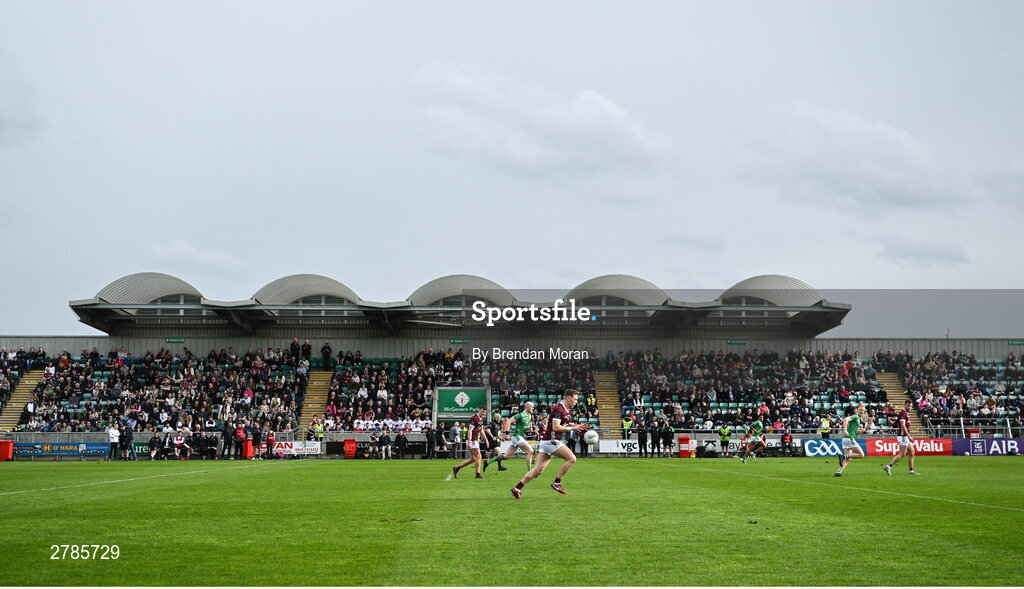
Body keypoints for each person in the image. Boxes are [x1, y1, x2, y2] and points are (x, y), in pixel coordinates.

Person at [511, 389, 590, 499]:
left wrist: (578, 426)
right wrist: (572, 428)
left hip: (546, 442)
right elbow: (556, 427)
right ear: (568, 398)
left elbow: (565, 423)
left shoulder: (565, 410)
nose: (576, 402)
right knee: (572, 459)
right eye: (575, 399)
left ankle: (517, 488)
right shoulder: (559, 410)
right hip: (551, 441)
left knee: (537, 471)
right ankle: (556, 482)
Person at [884, 400, 920, 475]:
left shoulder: (905, 413)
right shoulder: (903, 413)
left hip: (905, 436)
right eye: (908, 405)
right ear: (905, 405)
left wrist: (893, 422)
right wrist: (909, 436)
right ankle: (888, 466)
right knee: (902, 454)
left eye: (910, 406)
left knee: (912, 452)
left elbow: (898, 422)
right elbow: (903, 425)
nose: (909, 407)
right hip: (903, 436)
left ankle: (911, 470)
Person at [452, 407, 487, 479]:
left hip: (475, 440)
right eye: (482, 411)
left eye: (485, 412)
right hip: (472, 440)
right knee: (479, 456)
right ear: (479, 410)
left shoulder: (481, 419)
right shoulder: (474, 418)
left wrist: (486, 439)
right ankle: (478, 474)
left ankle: (457, 468)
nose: (483, 413)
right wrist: (469, 442)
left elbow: (481, 429)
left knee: (473, 459)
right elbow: (470, 430)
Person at [835, 405, 867, 477]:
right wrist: (845, 430)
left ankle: (838, 472)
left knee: (848, 458)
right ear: (857, 410)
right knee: (861, 455)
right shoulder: (855, 416)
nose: (862, 411)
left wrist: (865, 430)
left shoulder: (857, 418)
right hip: (849, 438)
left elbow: (856, 432)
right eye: (861, 409)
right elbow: (846, 419)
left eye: (863, 410)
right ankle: (843, 456)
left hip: (845, 439)